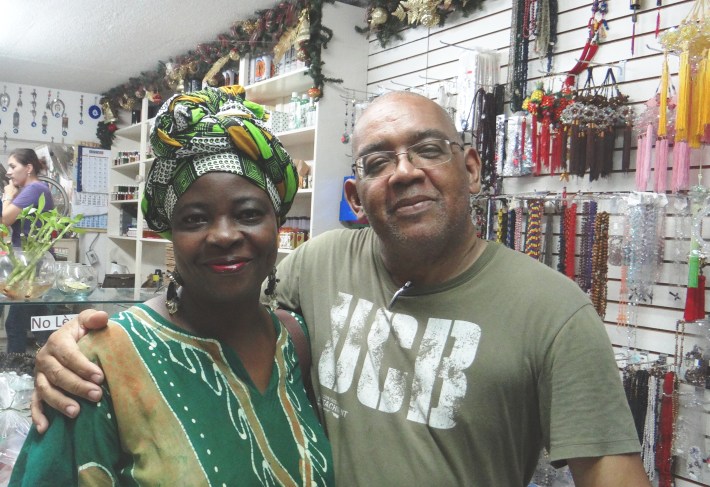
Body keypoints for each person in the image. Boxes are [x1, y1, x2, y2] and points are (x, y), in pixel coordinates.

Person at [33, 91, 650, 486]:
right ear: (355, 196)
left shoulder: (553, 311)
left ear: (470, 168)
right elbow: (211, 304)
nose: (405, 172)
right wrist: (79, 340)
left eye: (427, 150)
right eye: (379, 162)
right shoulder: (320, 264)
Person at [11, 86, 332, 485]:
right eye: (195, 219)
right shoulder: (97, 363)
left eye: (249, 214)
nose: (224, 235)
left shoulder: (295, 342)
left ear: (277, 225)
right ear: (170, 234)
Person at [2, 149, 54, 353]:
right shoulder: (29, 190)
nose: (9, 172)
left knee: (15, 324)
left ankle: (15, 367)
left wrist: (7, 196)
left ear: (29, 168)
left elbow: (5, 219)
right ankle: (49, 362)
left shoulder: (35, 189)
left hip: (32, 262)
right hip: (28, 260)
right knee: (40, 321)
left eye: (13, 166)